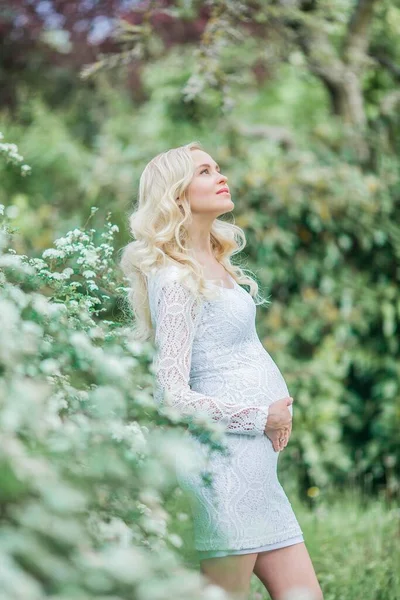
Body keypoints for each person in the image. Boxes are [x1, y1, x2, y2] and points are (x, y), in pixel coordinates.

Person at [120, 141, 324, 600]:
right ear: (176, 194)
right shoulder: (174, 277)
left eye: (218, 168)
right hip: (224, 463)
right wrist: (260, 418)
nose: (220, 176)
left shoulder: (215, 261)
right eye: (205, 171)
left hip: (254, 465)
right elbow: (170, 395)